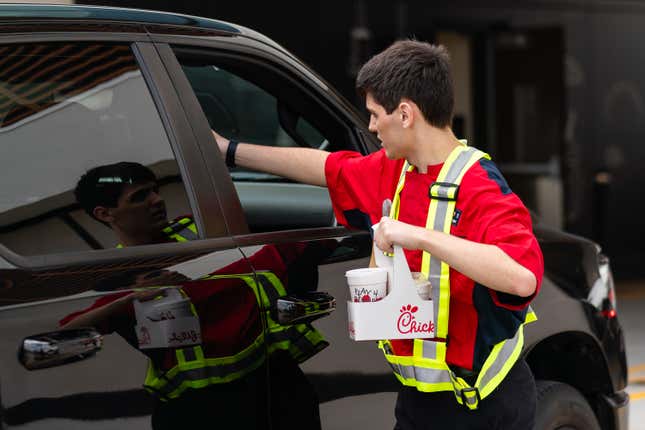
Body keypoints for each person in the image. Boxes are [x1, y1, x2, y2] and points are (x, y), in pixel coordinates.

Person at [212, 39, 543, 429]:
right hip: (419, 404)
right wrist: (229, 150)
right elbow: (326, 167)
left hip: (485, 408)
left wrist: (417, 235)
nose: (370, 127)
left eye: (373, 115)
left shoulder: (479, 185)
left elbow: (521, 278)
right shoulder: (393, 170)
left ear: (404, 114)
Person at [61, 161, 327, 429]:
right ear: (105, 213)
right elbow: (69, 329)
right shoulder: (117, 273)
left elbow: (287, 249)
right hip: (202, 408)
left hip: (276, 384)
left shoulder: (199, 228)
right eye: (140, 196)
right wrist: (131, 297)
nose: (156, 200)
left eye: (155, 190)